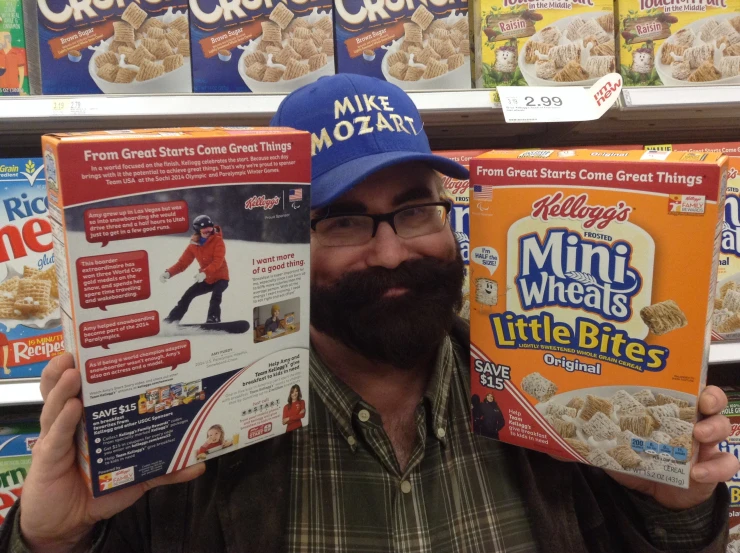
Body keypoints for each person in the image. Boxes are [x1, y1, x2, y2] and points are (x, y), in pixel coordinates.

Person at [4, 74, 736, 553]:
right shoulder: (208, 425)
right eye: (346, 222)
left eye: (414, 210)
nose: (389, 253)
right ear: (289, 244)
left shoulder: (547, 396)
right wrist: (47, 538)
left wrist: (678, 507)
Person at [161, 215, 229, 324]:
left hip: (221, 278)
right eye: (204, 230)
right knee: (188, 295)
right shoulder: (193, 245)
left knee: (216, 297)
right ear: (198, 231)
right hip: (206, 280)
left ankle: (213, 319)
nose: (208, 232)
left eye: (210, 229)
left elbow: (218, 261)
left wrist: (204, 273)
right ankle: (172, 319)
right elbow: (182, 263)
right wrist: (169, 273)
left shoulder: (218, 241)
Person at [0, 31, 26, 96]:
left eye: (1, 39)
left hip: (14, 89)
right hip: (2, 89)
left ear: (7, 40)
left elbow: (21, 73)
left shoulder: (17, 54)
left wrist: (19, 88)